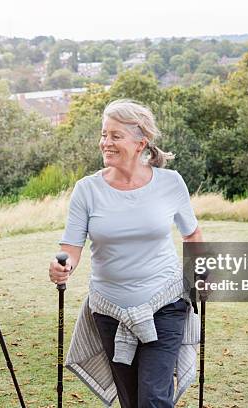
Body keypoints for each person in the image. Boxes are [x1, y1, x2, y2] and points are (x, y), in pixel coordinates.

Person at [49, 99, 203, 407]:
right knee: (131, 399)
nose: (105, 142)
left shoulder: (170, 183)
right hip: (110, 310)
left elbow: (192, 234)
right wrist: (61, 265)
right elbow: (71, 249)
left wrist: (198, 269)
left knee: (154, 398)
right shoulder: (87, 190)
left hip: (166, 303)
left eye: (115, 136)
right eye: (104, 134)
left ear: (140, 143)